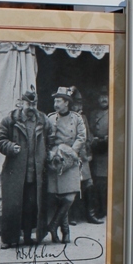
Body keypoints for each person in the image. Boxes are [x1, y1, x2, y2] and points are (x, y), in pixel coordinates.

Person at [0, 89, 51, 249]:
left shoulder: (43, 120)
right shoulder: (10, 120)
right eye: (29, 103)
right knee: (12, 207)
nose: (31, 107)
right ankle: (8, 239)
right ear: (21, 103)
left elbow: (51, 139)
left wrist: (48, 153)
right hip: (15, 173)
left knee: (31, 206)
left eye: (34, 104)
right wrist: (10, 147)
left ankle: (28, 237)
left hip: (36, 173)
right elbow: (0, 140)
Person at [42, 87, 87, 243]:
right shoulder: (50, 118)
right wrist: (51, 154)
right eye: (55, 101)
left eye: (58, 101)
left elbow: (81, 137)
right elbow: (45, 139)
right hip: (55, 161)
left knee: (69, 197)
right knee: (58, 198)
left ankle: (53, 225)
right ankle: (64, 233)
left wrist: (71, 152)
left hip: (71, 160)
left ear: (66, 103)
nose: (55, 104)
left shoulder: (77, 118)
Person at [70, 88, 101, 225]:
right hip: (71, 157)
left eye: (80, 103)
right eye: (76, 103)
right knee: (72, 186)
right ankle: (72, 216)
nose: (78, 106)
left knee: (88, 185)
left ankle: (90, 215)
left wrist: (89, 153)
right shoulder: (66, 118)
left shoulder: (83, 118)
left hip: (83, 158)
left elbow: (88, 137)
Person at [88, 90, 110, 219]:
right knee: (98, 183)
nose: (103, 99)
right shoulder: (93, 114)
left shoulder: (113, 113)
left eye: (106, 96)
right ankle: (100, 209)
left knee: (107, 182)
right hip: (97, 151)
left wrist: (108, 137)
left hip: (108, 151)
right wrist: (93, 139)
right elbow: (89, 130)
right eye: (101, 96)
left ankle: (107, 208)